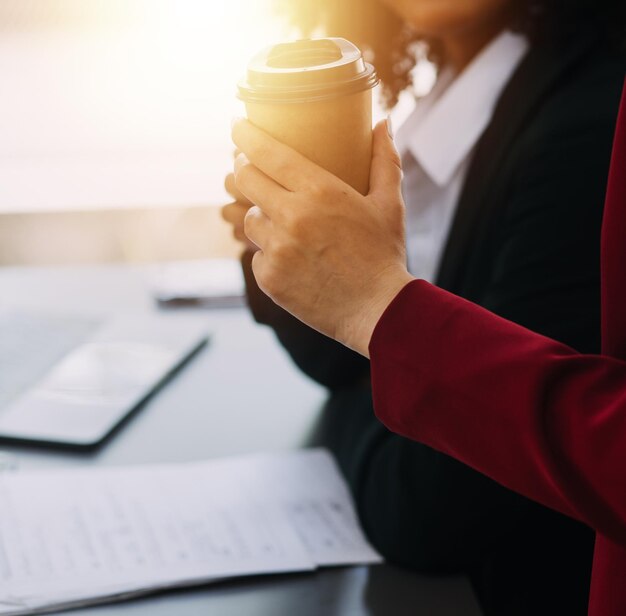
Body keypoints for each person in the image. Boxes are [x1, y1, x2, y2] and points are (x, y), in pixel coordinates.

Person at [223, 1, 625, 613]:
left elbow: (427, 511)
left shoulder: (586, 124)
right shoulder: (443, 98)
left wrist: (374, 323)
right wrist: (281, 245)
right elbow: (334, 360)